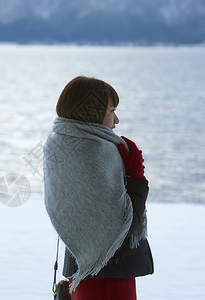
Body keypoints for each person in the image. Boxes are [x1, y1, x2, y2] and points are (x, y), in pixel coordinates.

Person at [44, 76, 153, 300]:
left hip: (82, 266)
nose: (117, 119)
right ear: (91, 111)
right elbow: (122, 227)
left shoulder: (59, 144)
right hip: (107, 274)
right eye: (111, 110)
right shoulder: (95, 153)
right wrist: (136, 179)